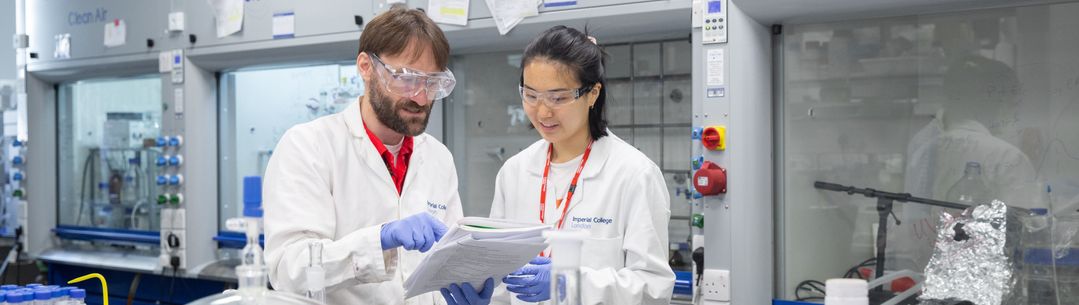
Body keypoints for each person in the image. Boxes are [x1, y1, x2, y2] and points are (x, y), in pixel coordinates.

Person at [439, 26, 675, 305]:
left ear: (592, 94)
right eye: (531, 95)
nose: (543, 111)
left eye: (558, 97)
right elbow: (502, 281)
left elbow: (654, 289)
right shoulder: (514, 172)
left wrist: (571, 283)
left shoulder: (634, 174)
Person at [263, 5, 463, 304]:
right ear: (366, 67)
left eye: (431, 83)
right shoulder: (309, 146)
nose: (420, 97)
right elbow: (289, 269)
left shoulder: (438, 157)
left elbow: (447, 259)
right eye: (407, 78)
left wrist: (466, 284)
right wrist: (379, 240)